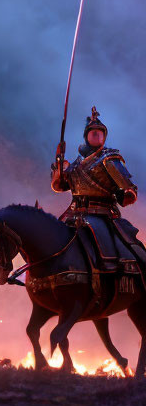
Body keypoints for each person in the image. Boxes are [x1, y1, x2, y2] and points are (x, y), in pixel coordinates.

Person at [52, 107, 146, 282]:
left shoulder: (110, 158)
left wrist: (124, 194)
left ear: (104, 138)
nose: (96, 136)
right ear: (87, 137)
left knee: (112, 241)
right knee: (52, 235)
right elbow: (60, 186)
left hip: (102, 213)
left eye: (99, 134)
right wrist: (59, 164)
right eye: (93, 133)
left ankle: (118, 272)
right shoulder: (76, 164)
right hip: (74, 212)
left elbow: (129, 189)